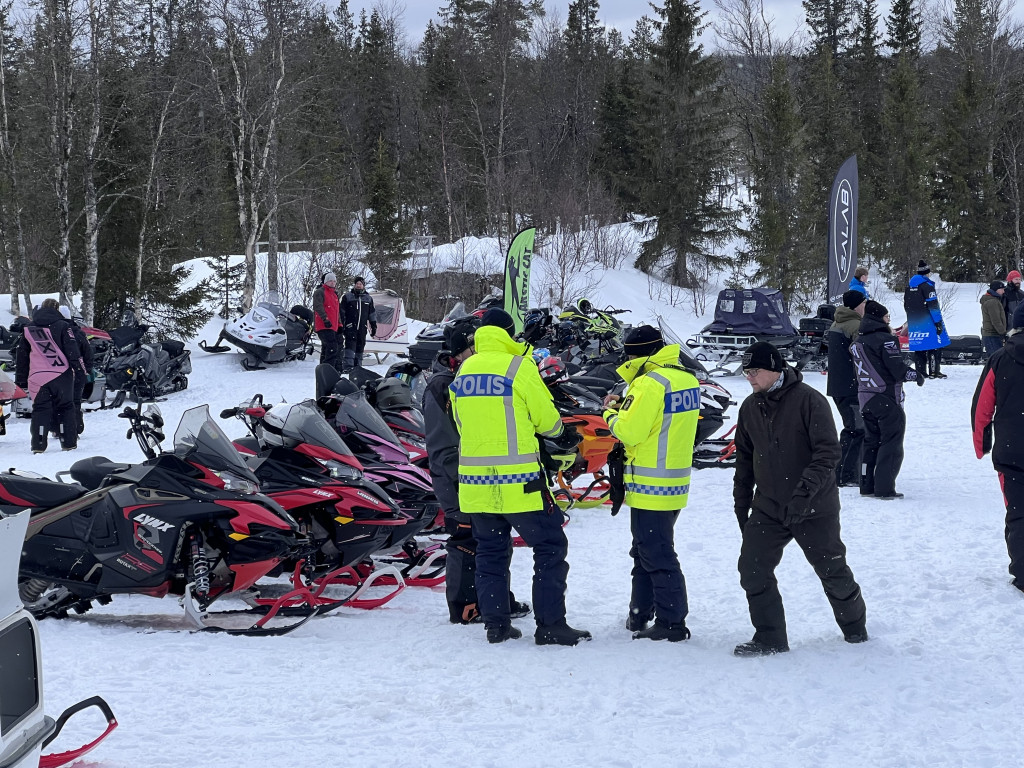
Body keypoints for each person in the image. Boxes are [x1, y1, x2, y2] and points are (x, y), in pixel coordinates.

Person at [450, 308, 590, 646]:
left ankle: (496, 624)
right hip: (520, 485)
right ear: (510, 334)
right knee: (550, 547)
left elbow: (459, 423)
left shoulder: (465, 370)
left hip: (475, 485)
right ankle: (551, 624)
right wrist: (560, 433)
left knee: (490, 552)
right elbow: (547, 420)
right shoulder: (519, 367)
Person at [732, 341, 867, 656]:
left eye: (755, 371)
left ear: (775, 369)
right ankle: (770, 638)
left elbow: (828, 453)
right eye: (746, 372)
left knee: (833, 571)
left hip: (814, 507)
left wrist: (803, 494)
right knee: (752, 568)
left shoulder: (809, 401)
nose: (749, 377)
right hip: (768, 507)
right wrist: (741, 505)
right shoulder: (750, 407)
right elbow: (744, 459)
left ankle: (855, 631)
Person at [422, 319, 530, 625]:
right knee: (466, 538)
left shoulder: (473, 376)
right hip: (457, 478)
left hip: (483, 475)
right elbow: (443, 446)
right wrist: (460, 484)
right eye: (475, 347)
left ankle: (495, 600)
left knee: (494, 539)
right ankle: (464, 605)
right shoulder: (442, 385)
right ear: (461, 351)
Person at [601, 325, 699, 643]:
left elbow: (629, 431)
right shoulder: (685, 378)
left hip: (648, 482)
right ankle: (639, 613)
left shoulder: (648, 383)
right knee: (645, 550)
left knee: (655, 553)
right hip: (673, 480)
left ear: (635, 354)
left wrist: (609, 414)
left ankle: (671, 622)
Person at [973, 301, 1024, 593]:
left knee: (1018, 513)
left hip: (1012, 450)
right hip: (1012, 448)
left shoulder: (999, 358)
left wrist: (981, 443)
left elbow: (981, 406)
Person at [850, 300, 921, 499]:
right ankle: (884, 487)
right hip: (886, 397)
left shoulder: (858, 341)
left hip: (865, 398)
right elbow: (897, 369)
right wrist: (916, 375)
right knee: (891, 442)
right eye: (887, 316)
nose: (889, 320)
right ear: (879, 318)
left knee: (871, 441)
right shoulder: (886, 339)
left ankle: (866, 484)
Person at [14, 298, 83, 453]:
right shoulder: (63, 326)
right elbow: (73, 351)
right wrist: (79, 371)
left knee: (40, 409)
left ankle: (38, 445)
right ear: (57, 309)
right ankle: (68, 442)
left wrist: (21, 380)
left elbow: (22, 356)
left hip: (37, 377)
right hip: (61, 375)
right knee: (66, 407)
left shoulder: (28, 328)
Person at [827, 290, 868, 487]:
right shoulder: (856, 325)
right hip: (850, 386)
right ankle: (846, 474)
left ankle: (847, 472)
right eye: (864, 303)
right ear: (857, 305)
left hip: (838, 385)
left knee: (853, 427)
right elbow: (863, 356)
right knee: (856, 429)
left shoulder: (837, 322)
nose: (866, 306)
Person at [904, 259, 949, 379]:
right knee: (935, 345)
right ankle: (934, 371)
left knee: (919, 347)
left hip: (914, 321)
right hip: (928, 320)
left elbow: (906, 305)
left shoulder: (909, 286)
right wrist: (938, 322)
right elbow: (933, 306)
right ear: (927, 273)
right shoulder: (927, 286)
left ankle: (920, 371)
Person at [58, 306, 93, 436]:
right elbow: (88, 353)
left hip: (60, 372)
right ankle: (76, 427)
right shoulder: (78, 332)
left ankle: (60, 427)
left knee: (61, 400)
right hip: (78, 371)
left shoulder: (54, 332)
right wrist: (87, 370)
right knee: (75, 401)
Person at [341, 276, 377, 372]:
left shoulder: (368, 298)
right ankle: (348, 367)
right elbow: (342, 312)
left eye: (360, 284)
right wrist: (341, 325)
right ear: (354, 285)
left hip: (362, 328)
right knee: (350, 346)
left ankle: (358, 367)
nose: (358, 285)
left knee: (360, 346)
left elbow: (372, 314)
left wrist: (373, 326)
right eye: (357, 284)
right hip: (350, 327)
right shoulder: (348, 297)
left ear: (363, 286)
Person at [312, 272, 341, 369]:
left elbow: (337, 311)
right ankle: (328, 368)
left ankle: (323, 369)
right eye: (330, 281)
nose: (332, 283)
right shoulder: (320, 292)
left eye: (334, 281)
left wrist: (339, 324)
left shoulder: (334, 294)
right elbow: (318, 306)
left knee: (326, 347)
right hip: (323, 324)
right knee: (332, 346)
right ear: (326, 282)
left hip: (333, 326)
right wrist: (325, 319)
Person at [981, 280, 1007, 358]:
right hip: (992, 335)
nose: (1003, 291)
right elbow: (996, 320)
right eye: (1001, 289)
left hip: (992, 335)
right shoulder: (992, 302)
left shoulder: (994, 300)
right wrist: (1003, 333)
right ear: (996, 290)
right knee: (995, 359)